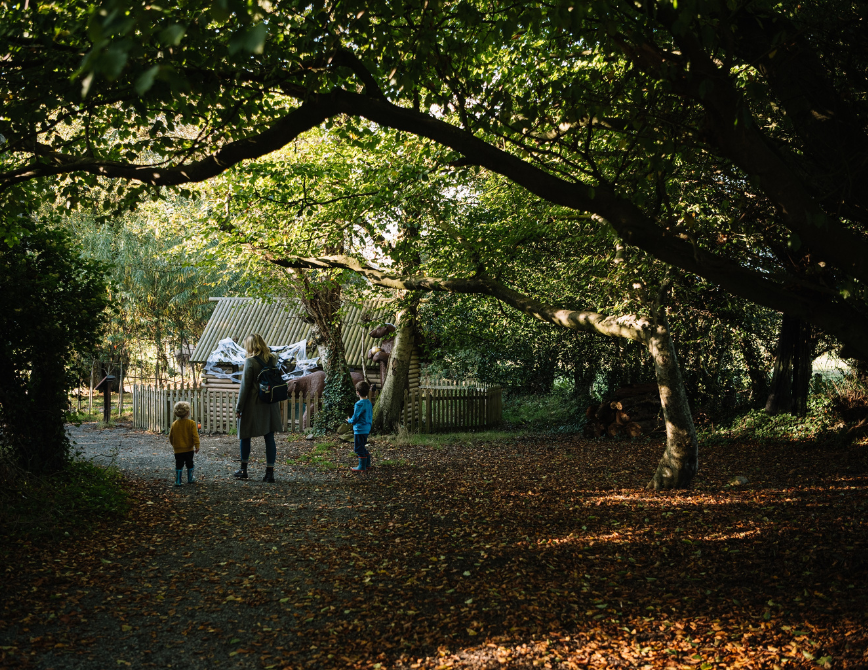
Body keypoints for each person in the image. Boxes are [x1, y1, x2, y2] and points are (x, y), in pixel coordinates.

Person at [235, 333, 283, 483]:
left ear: (250, 346)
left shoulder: (250, 362)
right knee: (269, 437)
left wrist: (239, 408)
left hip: (253, 403)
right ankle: (269, 473)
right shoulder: (273, 358)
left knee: (245, 434)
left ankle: (243, 470)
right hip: (270, 402)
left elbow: (245, 387)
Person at [169, 401, 199, 486]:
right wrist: (197, 445)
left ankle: (178, 480)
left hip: (178, 450)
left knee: (179, 464)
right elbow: (195, 436)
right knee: (190, 463)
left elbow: (171, 436)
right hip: (189, 449)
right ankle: (190, 478)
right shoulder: (191, 423)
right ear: (187, 412)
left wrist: (174, 445)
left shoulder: (174, 424)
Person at [347, 380, 373, 473]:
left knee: (358, 448)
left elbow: (355, 418)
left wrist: (349, 420)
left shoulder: (359, 404)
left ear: (357, 392)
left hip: (359, 429)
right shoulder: (368, 402)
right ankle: (367, 464)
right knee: (362, 446)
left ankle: (362, 466)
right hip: (367, 428)